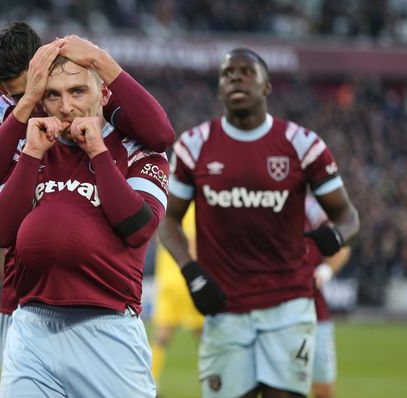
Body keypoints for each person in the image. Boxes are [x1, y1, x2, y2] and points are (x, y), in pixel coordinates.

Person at [158, 48, 360, 398]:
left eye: (247, 72)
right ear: (220, 88)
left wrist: (338, 235)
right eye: (227, 73)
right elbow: (169, 221)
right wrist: (190, 272)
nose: (235, 77)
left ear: (267, 87)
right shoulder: (193, 145)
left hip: (288, 305)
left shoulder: (302, 144)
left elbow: (348, 215)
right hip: (224, 308)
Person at [0, 21, 175, 363]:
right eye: (23, 94)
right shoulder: (1, 113)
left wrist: (100, 59)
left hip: (105, 302)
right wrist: (25, 107)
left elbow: (161, 136)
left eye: (41, 90)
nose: (38, 105)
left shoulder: (90, 102)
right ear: (2, 90)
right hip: (24, 297)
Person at [151, 204, 204, 393]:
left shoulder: (166, 208)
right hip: (188, 281)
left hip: (167, 280)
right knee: (204, 339)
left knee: (161, 339)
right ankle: (214, 382)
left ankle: (149, 383)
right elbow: (195, 246)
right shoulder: (197, 208)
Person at [305, 194, 351, 398]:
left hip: (315, 312)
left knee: (324, 390)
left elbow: (343, 246)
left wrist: (323, 273)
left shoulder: (311, 208)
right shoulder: (263, 203)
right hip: (274, 310)